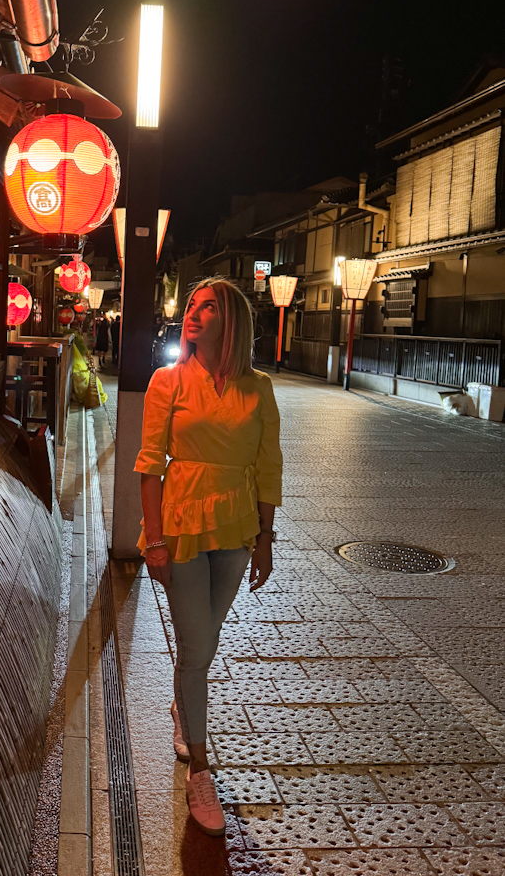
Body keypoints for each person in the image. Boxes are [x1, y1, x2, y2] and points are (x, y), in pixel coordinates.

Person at [134, 277, 282, 837]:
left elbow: (270, 464)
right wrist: (152, 540)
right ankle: (200, 765)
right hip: (183, 526)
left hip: (237, 526)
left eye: (206, 307)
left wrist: (266, 535)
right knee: (197, 648)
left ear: (232, 321)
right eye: (191, 306)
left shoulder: (258, 388)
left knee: (206, 641)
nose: (192, 315)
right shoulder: (167, 381)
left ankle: (182, 706)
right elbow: (149, 465)